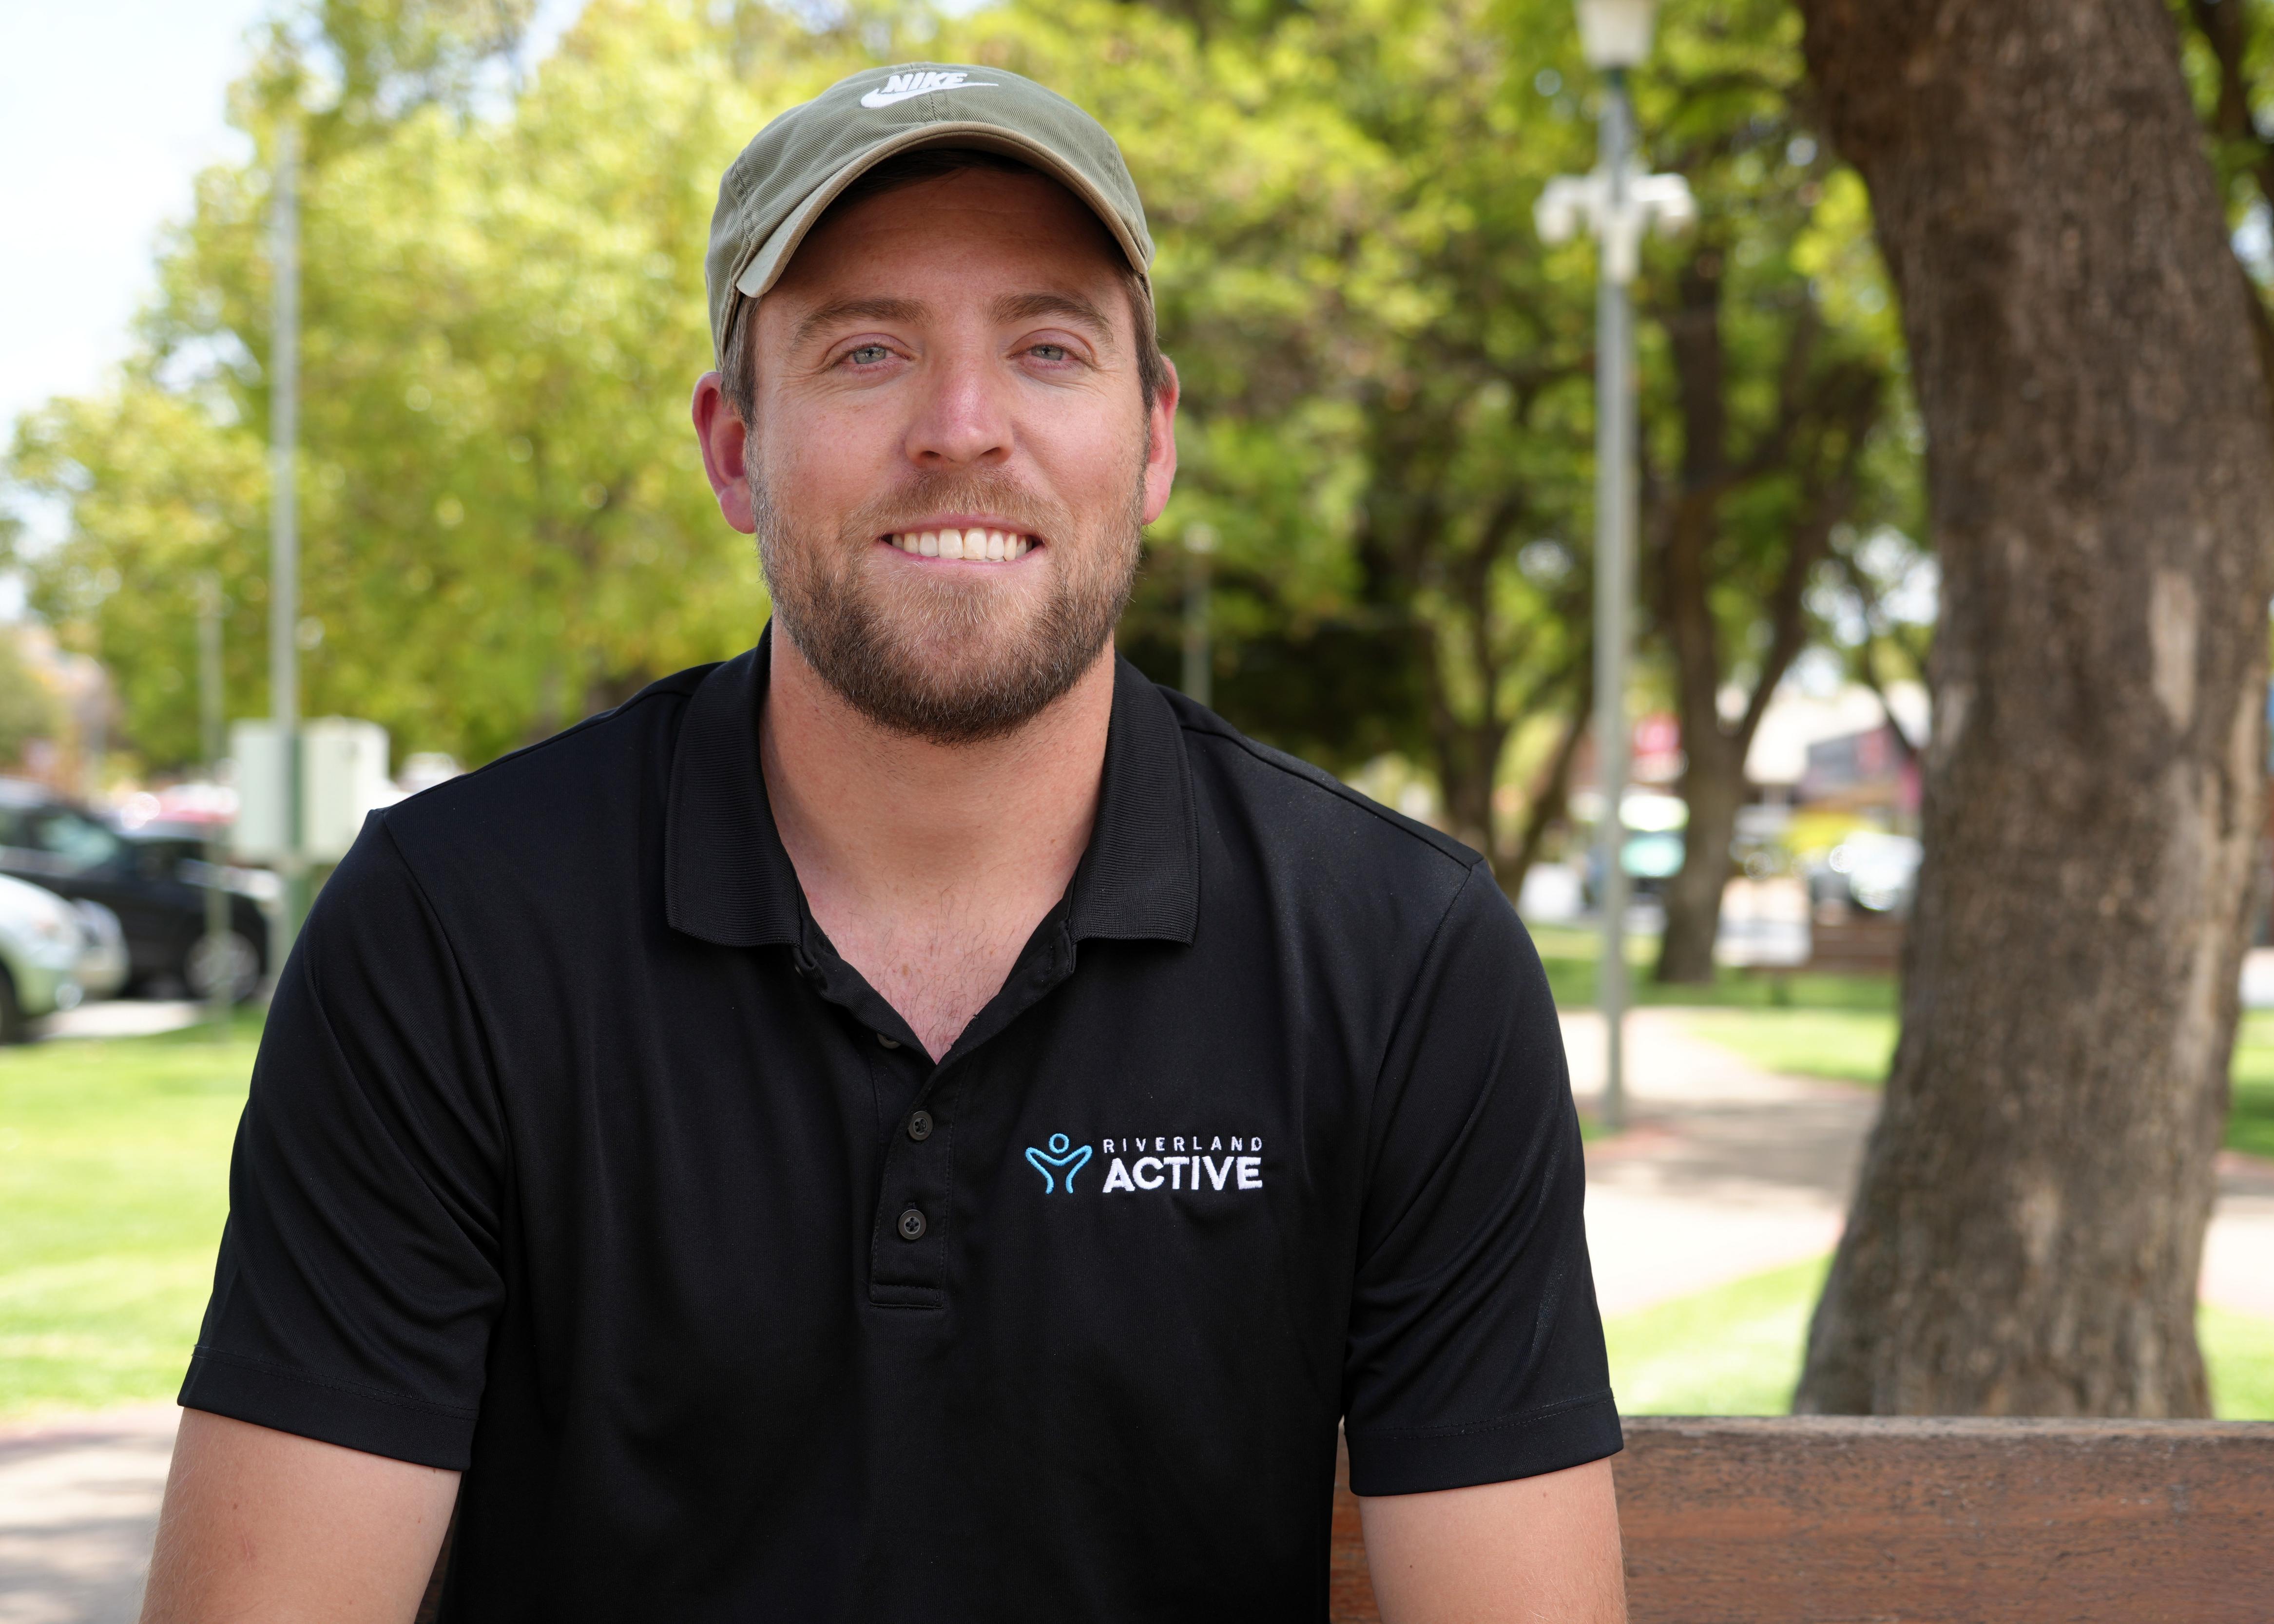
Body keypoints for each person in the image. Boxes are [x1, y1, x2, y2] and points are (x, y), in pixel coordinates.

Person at [141, 62, 1626, 1623]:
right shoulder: (449, 931)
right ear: (733, 448)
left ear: (1156, 440)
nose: (964, 430)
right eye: (866, 351)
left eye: (1048, 347)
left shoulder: (1402, 957)